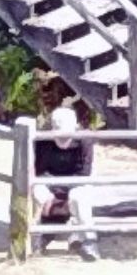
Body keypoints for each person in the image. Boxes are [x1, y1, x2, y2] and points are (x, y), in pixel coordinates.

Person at [34, 105, 99, 262]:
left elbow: (84, 173)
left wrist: (62, 192)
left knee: (79, 198)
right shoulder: (43, 141)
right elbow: (40, 170)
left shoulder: (85, 141)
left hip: (77, 183)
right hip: (49, 182)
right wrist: (51, 193)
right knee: (38, 193)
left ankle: (89, 241)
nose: (63, 139)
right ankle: (38, 236)